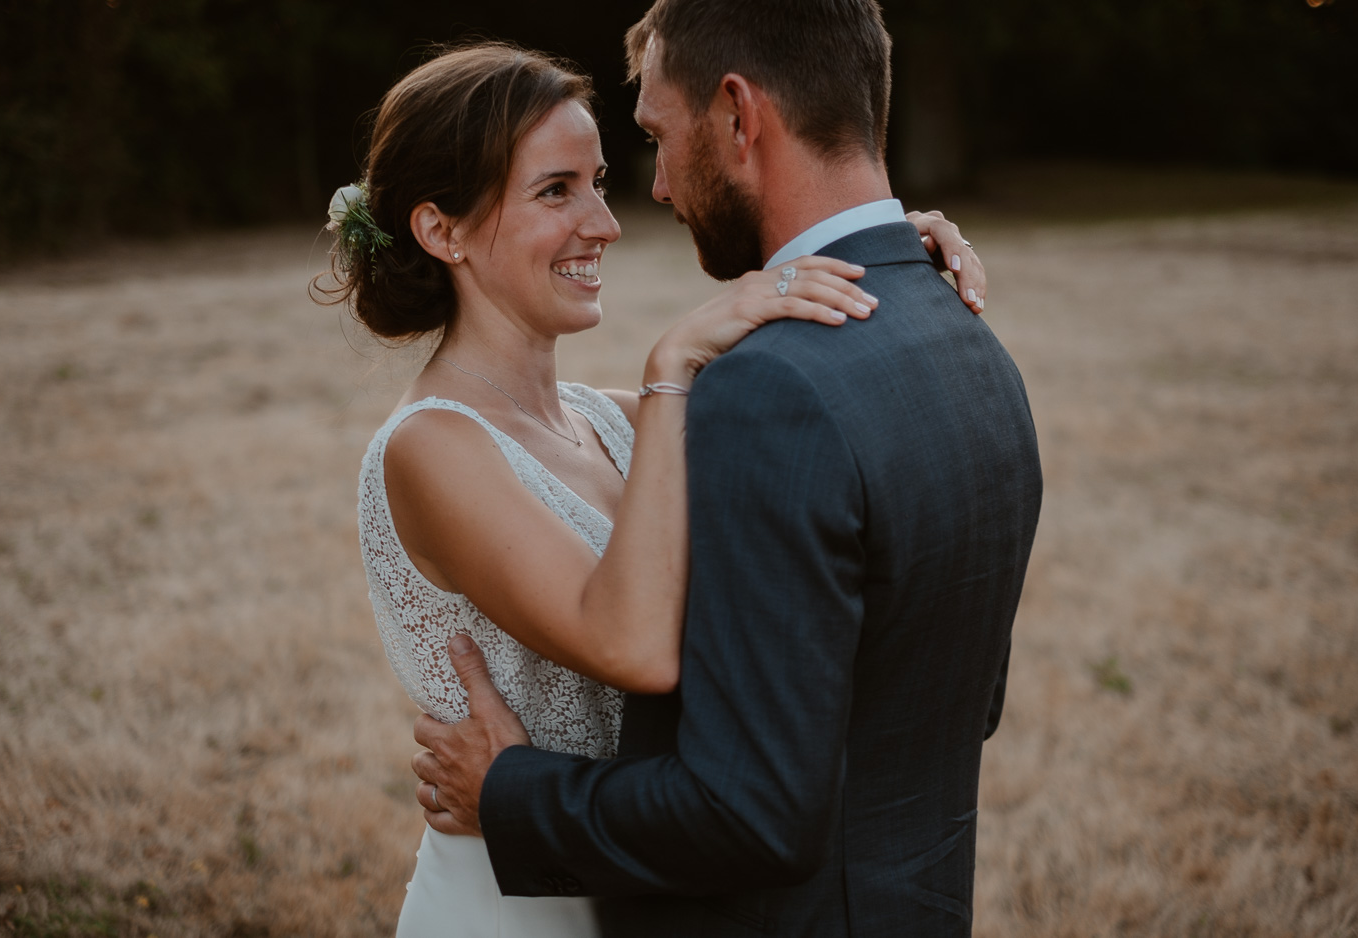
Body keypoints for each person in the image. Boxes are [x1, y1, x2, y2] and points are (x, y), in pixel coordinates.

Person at [323, 34, 985, 938]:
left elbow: (815, 419)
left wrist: (891, 253)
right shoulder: (430, 447)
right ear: (441, 231)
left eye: (598, 180)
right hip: (514, 905)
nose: (604, 220)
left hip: (641, 880)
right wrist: (673, 360)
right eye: (557, 191)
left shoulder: (611, 418)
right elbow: (631, 643)